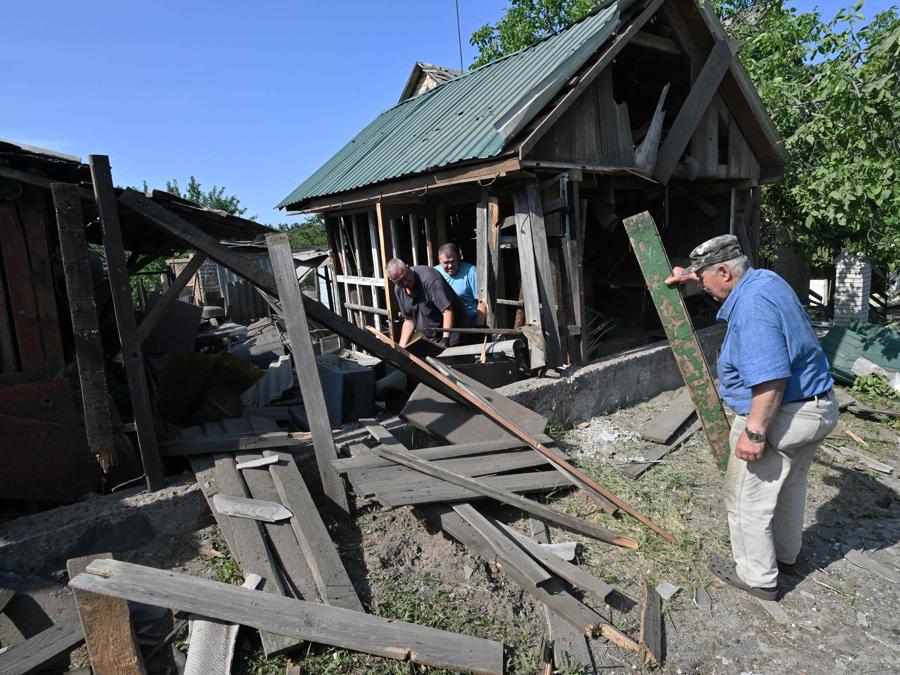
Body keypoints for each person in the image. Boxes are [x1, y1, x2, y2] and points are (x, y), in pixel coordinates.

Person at [665, 234, 837, 601]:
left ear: (725, 272)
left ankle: (758, 578)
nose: (705, 288)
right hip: (816, 407)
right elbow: (712, 281)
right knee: (790, 486)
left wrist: (755, 433)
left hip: (782, 412)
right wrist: (690, 277)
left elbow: (771, 378)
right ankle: (787, 557)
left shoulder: (753, 306)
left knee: (746, 499)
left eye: (705, 278)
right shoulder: (765, 281)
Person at [386, 258, 463, 348]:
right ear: (393, 281)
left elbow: (447, 311)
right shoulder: (399, 289)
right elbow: (409, 320)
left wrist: (445, 340)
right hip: (429, 339)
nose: (405, 282)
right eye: (399, 282)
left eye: (405, 277)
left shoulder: (430, 279)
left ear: (408, 267)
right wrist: (400, 348)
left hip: (452, 334)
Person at [434, 243, 485, 327]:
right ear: (439, 260)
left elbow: (481, 301)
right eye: (446, 263)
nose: (450, 266)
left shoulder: (471, 272)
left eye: (453, 261)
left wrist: (480, 326)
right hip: (446, 324)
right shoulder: (434, 273)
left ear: (458, 258)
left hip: (469, 324)